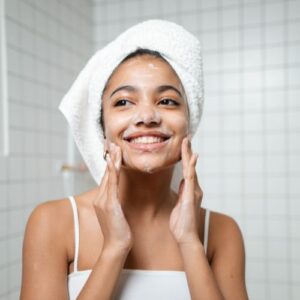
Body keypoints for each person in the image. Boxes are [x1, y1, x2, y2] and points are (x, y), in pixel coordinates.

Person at [20, 20, 249, 299]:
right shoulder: (53, 223)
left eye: (167, 101)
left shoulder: (221, 233)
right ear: (102, 129)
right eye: (124, 102)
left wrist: (190, 242)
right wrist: (114, 247)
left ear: (189, 124)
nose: (147, 116)